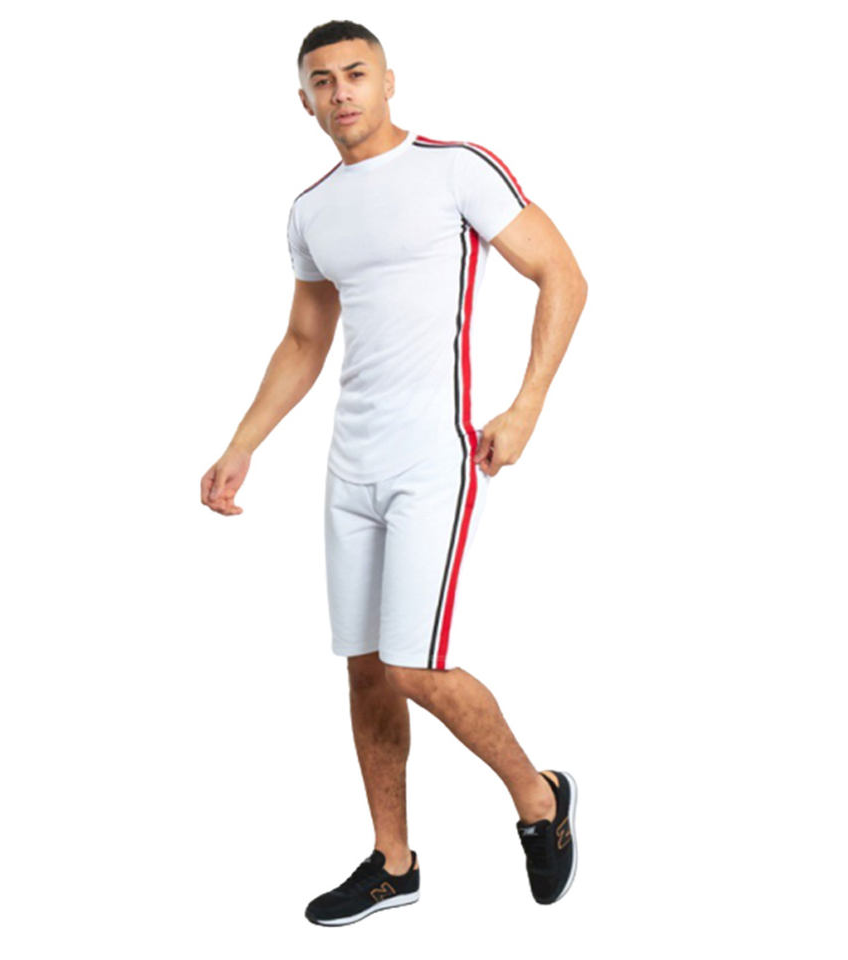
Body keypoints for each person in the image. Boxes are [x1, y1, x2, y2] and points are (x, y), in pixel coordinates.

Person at [200, 20, 588, 926]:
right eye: (323, 80)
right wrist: (242, 443)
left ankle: (539, 797)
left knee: (417, 667)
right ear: (304, 100)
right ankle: (394, 861)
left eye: (356, 74)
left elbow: (563, 275)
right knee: (368, 668)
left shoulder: (455, 170)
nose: (341, 92)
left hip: (433, 457)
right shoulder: (312, 210)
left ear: (388, 81)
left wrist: (525, 406)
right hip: (351, 466)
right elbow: (305, 339)